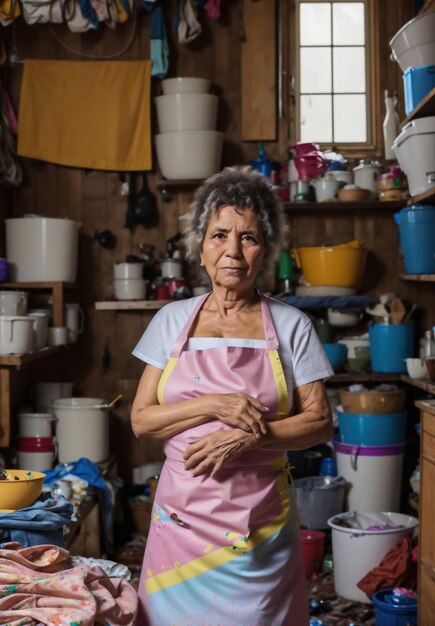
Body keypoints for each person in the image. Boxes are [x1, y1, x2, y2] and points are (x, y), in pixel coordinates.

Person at [130, 165, 334, 626]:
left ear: (266, 251)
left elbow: (320, 422)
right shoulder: (170, 321)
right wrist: (214, 404)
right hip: (180, 524)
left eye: (249, 237)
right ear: (200, 248)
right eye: (220, 235)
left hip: (258, 525)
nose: (233, 252)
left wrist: (248, 439)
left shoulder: (291, 325)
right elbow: (142, 420)